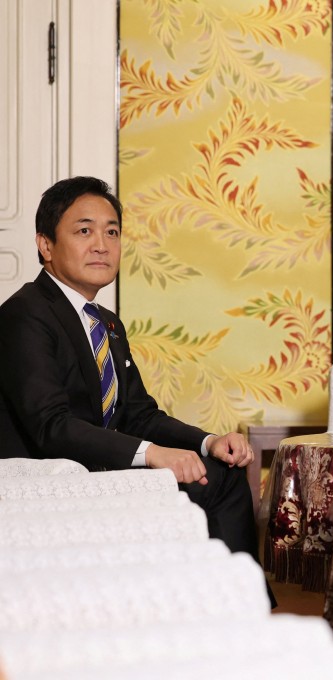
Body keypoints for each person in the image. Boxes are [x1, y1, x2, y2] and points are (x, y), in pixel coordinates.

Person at [0, 176, 265, 576]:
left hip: (99, 470)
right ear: (46, 245)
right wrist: (152, 454)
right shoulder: (26, 314)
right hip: (49, 483)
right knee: (214, 486)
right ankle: (236, 608)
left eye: (112, 232)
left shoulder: (105, 323)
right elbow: (50, 426)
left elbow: (139, 414)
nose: (102, 245)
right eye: (84, 231)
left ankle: (225, 604)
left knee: (221, 472)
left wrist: (208, 442)